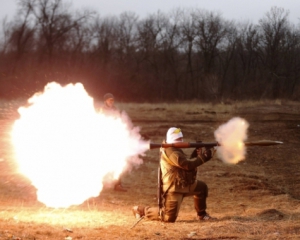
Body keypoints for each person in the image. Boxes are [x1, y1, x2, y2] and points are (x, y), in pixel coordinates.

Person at [132, 127, 215, 222]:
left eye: (181, 139)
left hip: (184, 183)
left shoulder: (175, 149)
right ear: (172, 140)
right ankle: (141, 210)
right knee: (168, 218)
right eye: (177, 139)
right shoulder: (170, 150)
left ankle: (201, 214)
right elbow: (187, 165)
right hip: (174, 188)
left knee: (202, 188)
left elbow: (182, 163)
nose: (180, 141)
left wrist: (195, 155)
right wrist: (203, 158)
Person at [101, 93, 127, 192]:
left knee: (118, 161)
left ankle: (117, 185)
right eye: (109, 100)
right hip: (105, 140)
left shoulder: (116, 110)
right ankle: (100, 183)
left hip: (115, 139)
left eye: (112, 100)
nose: (111, 102)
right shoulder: (101, 111)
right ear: (105, 101)